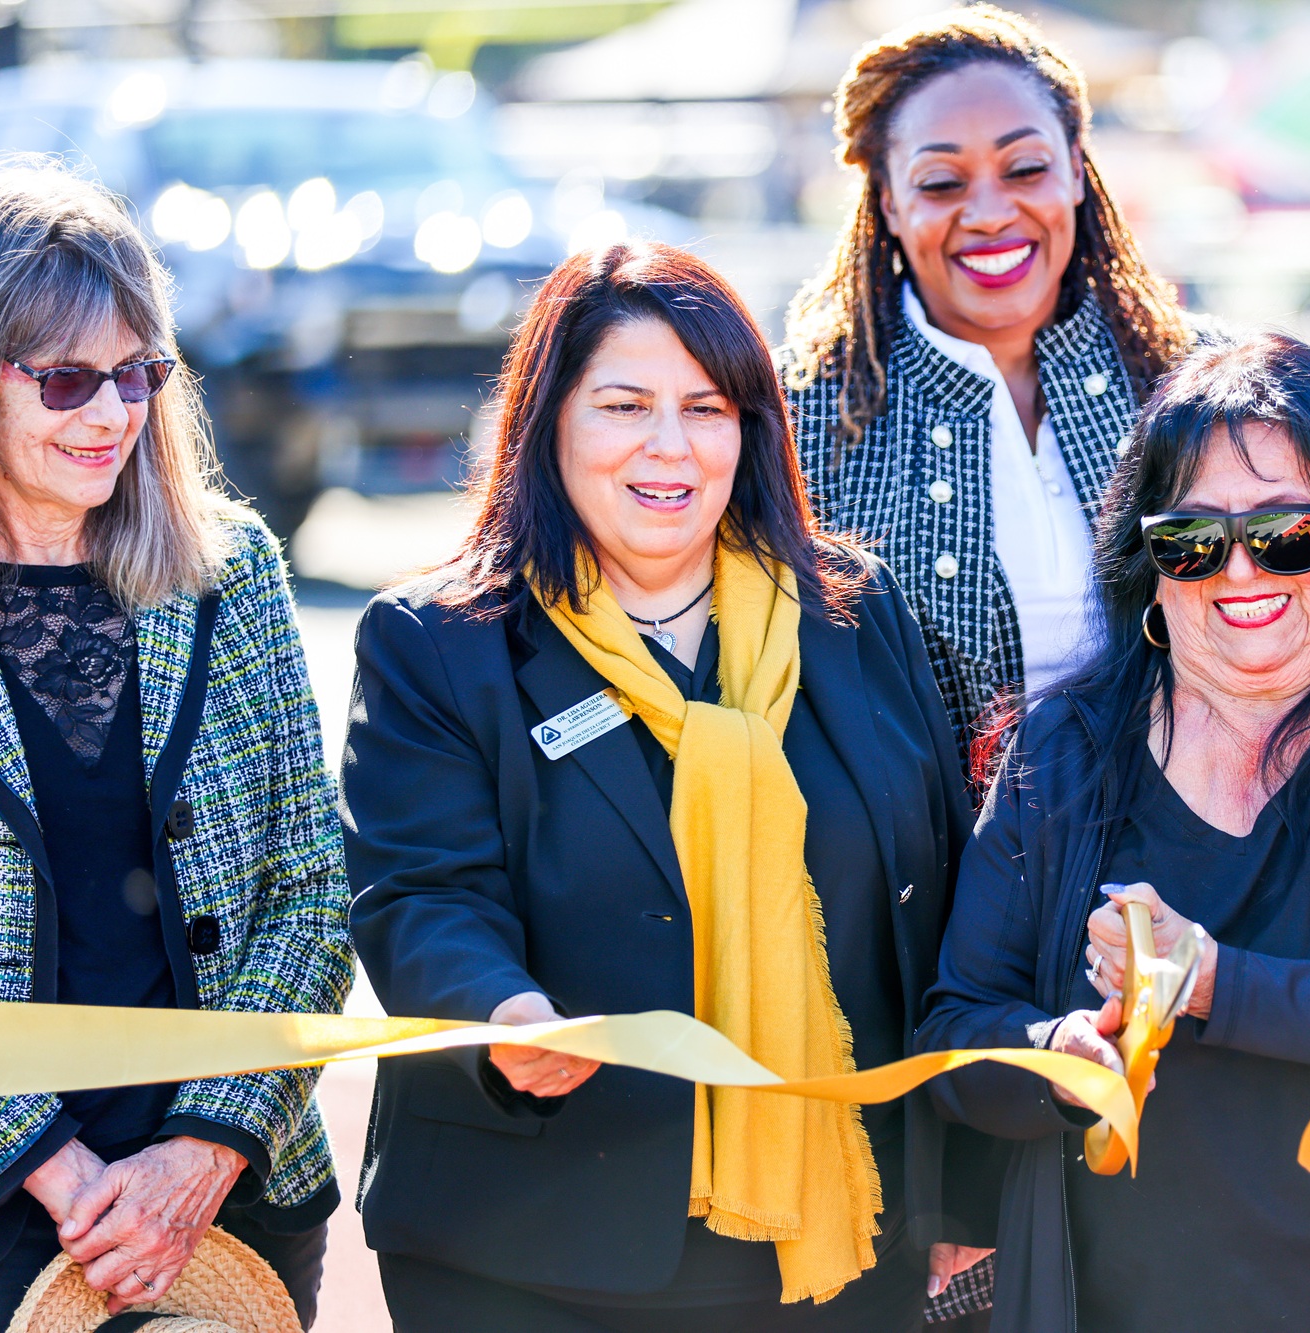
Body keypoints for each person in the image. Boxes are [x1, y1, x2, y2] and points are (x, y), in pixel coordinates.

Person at [342, 240, 979, 1333]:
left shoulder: (853, 618)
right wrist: (499, 1012)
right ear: (548, 422)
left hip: (828, 1241)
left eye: (707, 406)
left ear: (753, 429)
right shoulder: (439, 643)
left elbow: (940, 901)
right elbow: (419, 892)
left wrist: (963, 1177)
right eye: (624, 405)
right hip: (526, 1246)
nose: (669, 446)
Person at [917, 331, 1310, 1333]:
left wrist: (1215, 982)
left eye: (1288, 533)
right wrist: (1059, 1051)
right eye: (1191, 540)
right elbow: (957, 1028)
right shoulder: (1065, 750)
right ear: (1149, 571)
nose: (1239, 571)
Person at [0, 166, 350, 1329]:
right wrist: (59, 1171)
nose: (111, 413)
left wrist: (204, 1146)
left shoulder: (233, 571)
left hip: (232, 1187)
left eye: (139, 374)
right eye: (68, 378)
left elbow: (312, 898)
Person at [782, 4, 1195, 751]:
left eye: (1026, 168)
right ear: (889, 203)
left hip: (1192, 856)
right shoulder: (795, 416)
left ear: (1076, 169)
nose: (990, 211)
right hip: (932, 863)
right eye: (941, 182)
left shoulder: (1198, 379)